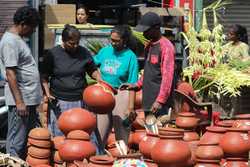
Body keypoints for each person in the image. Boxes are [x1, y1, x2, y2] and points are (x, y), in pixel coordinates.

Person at [41, 24, 101, 137]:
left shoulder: (83, 52)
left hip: (80, 99)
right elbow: (44, 76)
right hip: (59, 100)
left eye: (78, 42)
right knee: (61, 133)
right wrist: (47, 93)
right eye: (72, 43)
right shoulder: (53, 54)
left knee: (80, 132)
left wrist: (98, 78)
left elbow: (92, 70)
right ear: (63, 40)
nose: (75, 46)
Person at [0, 6, 42, 159]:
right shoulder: (10, 42)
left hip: (28, 99)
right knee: (16, 140)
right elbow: (10, 73)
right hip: (21, 100)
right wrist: (19, 102)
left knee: (25, 139)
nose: (34, 31)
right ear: (23, 24)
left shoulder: (18, 39)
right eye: (33, 27)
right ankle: (11, 162)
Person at [93, 25, 139, 153]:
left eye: (116, 40)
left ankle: (122, 160)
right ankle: (98, 159)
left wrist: (130, 107)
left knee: (122, 133)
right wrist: (97, 75)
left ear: (124, 40)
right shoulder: (105, 51)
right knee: (99, 134)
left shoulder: (131, 57)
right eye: (111, 39)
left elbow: (133, 85)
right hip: (104, 94)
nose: (113, 43)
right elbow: (92, 64)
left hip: (121, 94)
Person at [120, 12, 175, 118]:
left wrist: (160, 100)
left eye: (146, 30)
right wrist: (137, 85)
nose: (143, 33)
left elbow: (168, 77)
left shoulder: (166, 47)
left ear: (157, 28)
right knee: (150, 133)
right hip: (148, 101)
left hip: (160, 105)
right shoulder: (148, 46)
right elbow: (148, 70)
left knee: (161, 132)